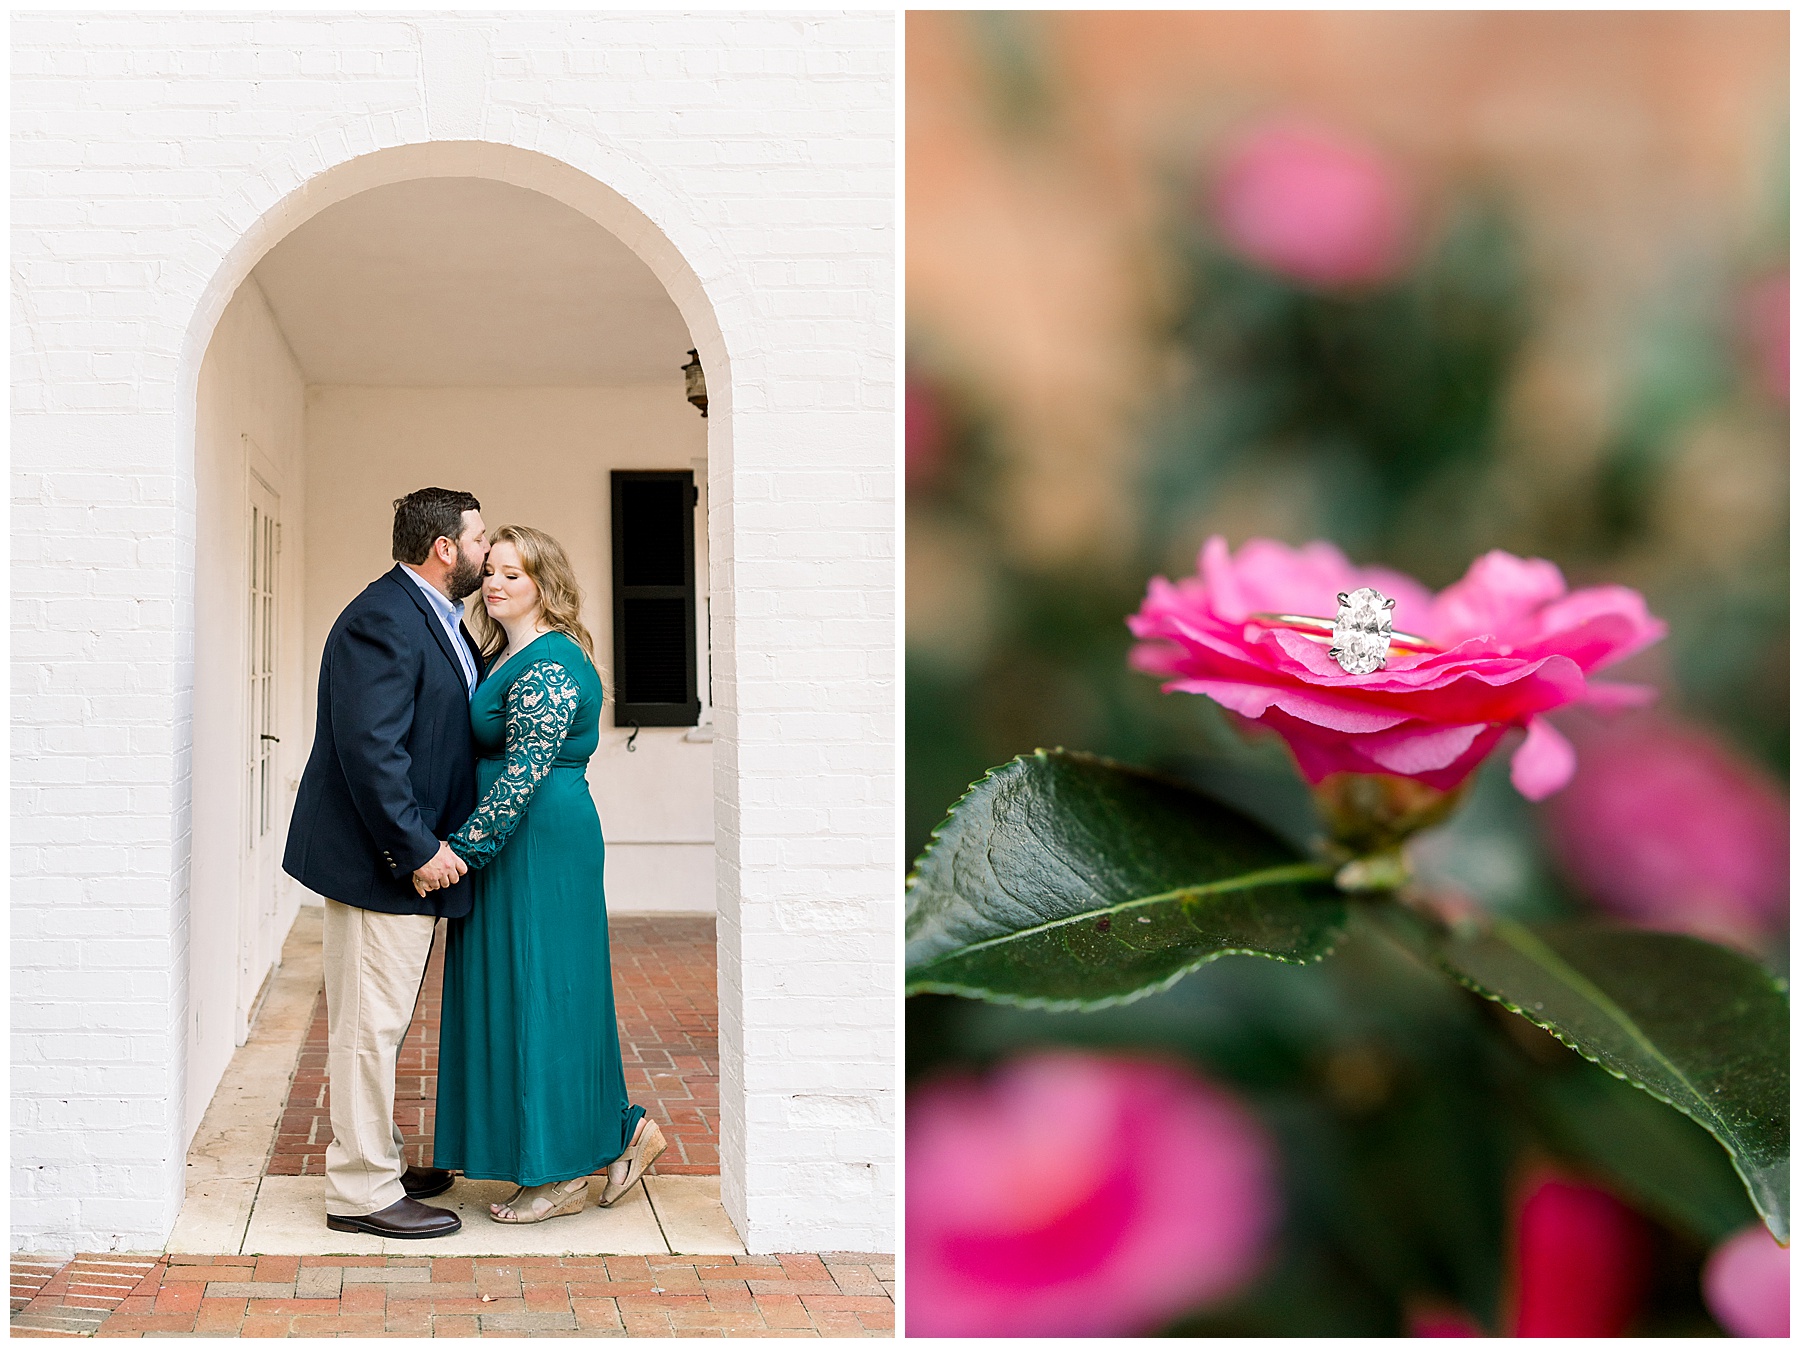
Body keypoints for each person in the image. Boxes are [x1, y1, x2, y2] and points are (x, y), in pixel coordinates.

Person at [421, 524, 664, 1224]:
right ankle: (621, 1133)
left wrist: (462, 850)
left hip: (538, 843)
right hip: (513, 845)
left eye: (513, 574)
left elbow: (523, 775)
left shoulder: (551, 663)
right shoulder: (504, 654)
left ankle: (559, 1176)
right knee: (517, 993)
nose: (494, 584)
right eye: (490, 571)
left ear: (545, 585)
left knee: (547, 996)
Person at [282, 487, 489, 1239]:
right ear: (445, 548)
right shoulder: (383, 618)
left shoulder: (437, 619)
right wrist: (418, 849)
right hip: (382, 866)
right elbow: (373, 752)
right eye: (478, 537)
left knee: (384, 1022)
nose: (485, 550)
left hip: (404, 860)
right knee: (369, 1028)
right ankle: (361, 1191)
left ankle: (381, 1158)